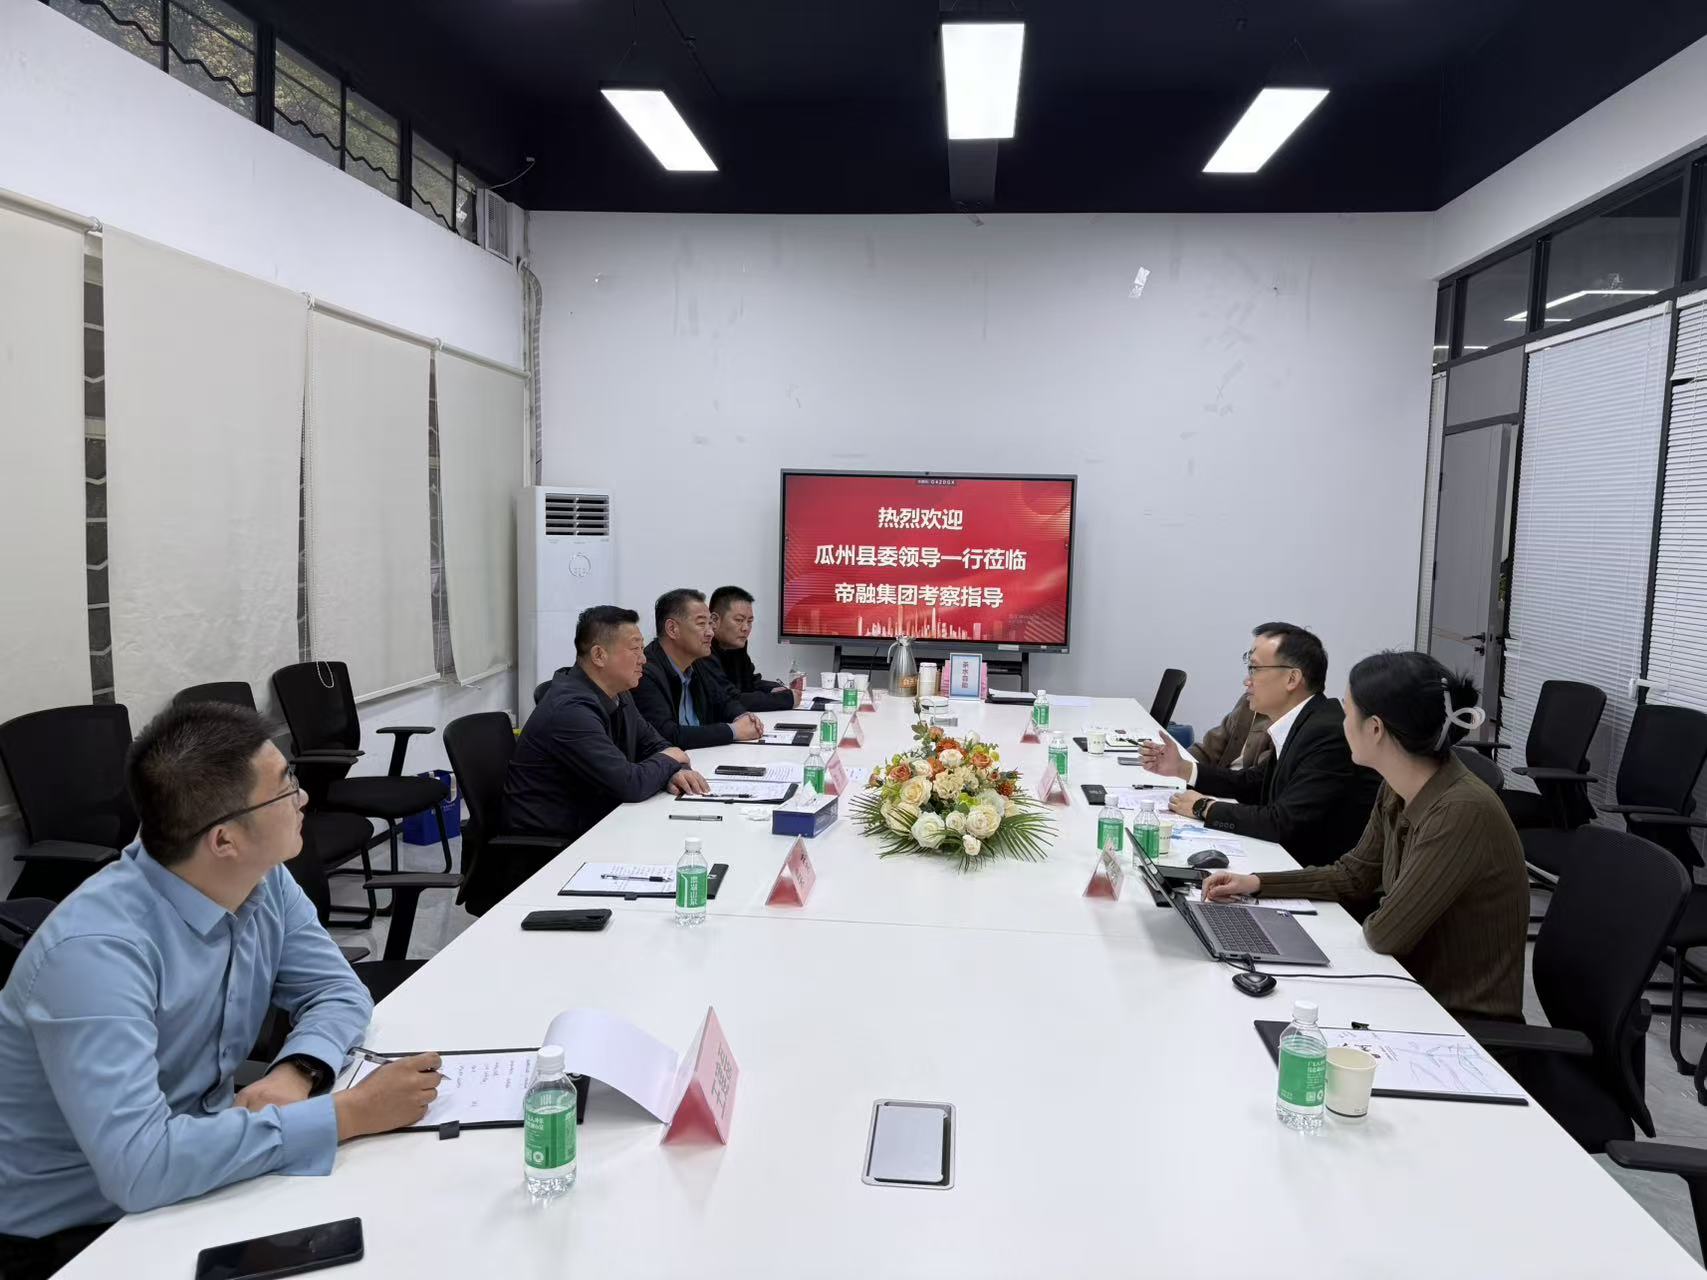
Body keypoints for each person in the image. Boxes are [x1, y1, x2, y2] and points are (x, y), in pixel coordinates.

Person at [0, 702, 443, 1279]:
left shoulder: (261, 878)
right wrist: (348, 1114)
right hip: (76, 1236)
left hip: (200, 1160)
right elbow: (141, 1168)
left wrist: (297, 1072)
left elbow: (338, 990)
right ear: (225, 840)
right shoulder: (94, 955)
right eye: (285, 788)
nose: (303, 798)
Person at [1202, 651, 1529, 1021]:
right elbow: (1354, 875)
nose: (1342, 723)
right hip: (1402, 988)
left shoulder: (1461, 811)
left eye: (1347, 712)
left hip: (1454, 1021)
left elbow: (1386, 932)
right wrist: (1257, 883)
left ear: (1375, 728)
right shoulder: (1398, 786)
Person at [1139, 622, 1377, 866]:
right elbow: (1254, 783)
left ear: (1292, 678)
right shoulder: (1304, 721)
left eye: (1254, 668)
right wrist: (1182, 768)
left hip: (1314, 872)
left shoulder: (1326, 732)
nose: (1247, 680)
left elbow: (1284, 822)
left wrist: (1204, 807)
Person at [505, 605, 712, 855]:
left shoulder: (618, 693)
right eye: (635, 650)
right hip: (555, 850)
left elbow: (655, 745)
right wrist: (670, 761)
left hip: (601, 823)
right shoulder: (570, 711)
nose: (643, 659)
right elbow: (630, 783)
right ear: (599, 655)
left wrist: (674, 771)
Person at [634, 588, 768, 749]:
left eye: (710, 624)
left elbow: (724, 701)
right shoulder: (645, 672)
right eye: (701, 624)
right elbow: (667, 735)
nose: (710, 632)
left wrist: (743, 716)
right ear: (672, 629)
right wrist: (733, 731)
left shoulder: (698, 662)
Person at [709, 585, 797, 712]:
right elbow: (729, 699)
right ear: (714, 620)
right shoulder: (703, 651)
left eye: (749, 621)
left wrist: (776, 689)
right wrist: (785, 699)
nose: (746, 628)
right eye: (739, 620)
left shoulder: (736, 645)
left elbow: (750, 682)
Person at [1189, 692, 1273, 772]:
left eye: (1256, 677)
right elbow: (1208, 750)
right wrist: (1184, 759)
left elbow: (1257, 777)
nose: (1247, 683)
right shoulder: (1248, 700)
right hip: (1220, 777)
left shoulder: (1278, 728)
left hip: (1231, 779)